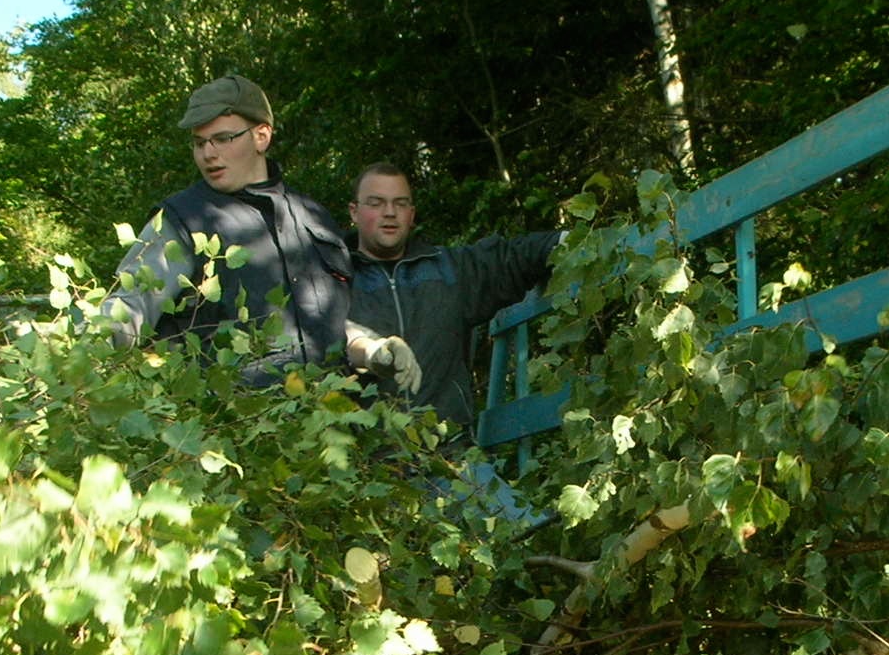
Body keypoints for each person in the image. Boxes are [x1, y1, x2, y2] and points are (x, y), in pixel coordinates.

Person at [103, 75, 418, 385]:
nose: (208, 153)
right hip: (226, 416)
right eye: (199, 143)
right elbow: (126, 311)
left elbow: (322, 325)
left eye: (223, 139)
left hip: (330, 413)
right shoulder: (183, 221)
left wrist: (370, 349)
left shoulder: (313, 219)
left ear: (262, 136)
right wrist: (81, 353)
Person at [346, 163, 561, 438]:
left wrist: (567, 242)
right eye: (376, 203)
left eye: (400, 203)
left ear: (411, 214)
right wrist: (371, 352)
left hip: (450, 451)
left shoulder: (449, 270)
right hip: (367, 456)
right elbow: (322, 340)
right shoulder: (333, 280)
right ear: (354, 211)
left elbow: (510, 258)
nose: (390, 212)